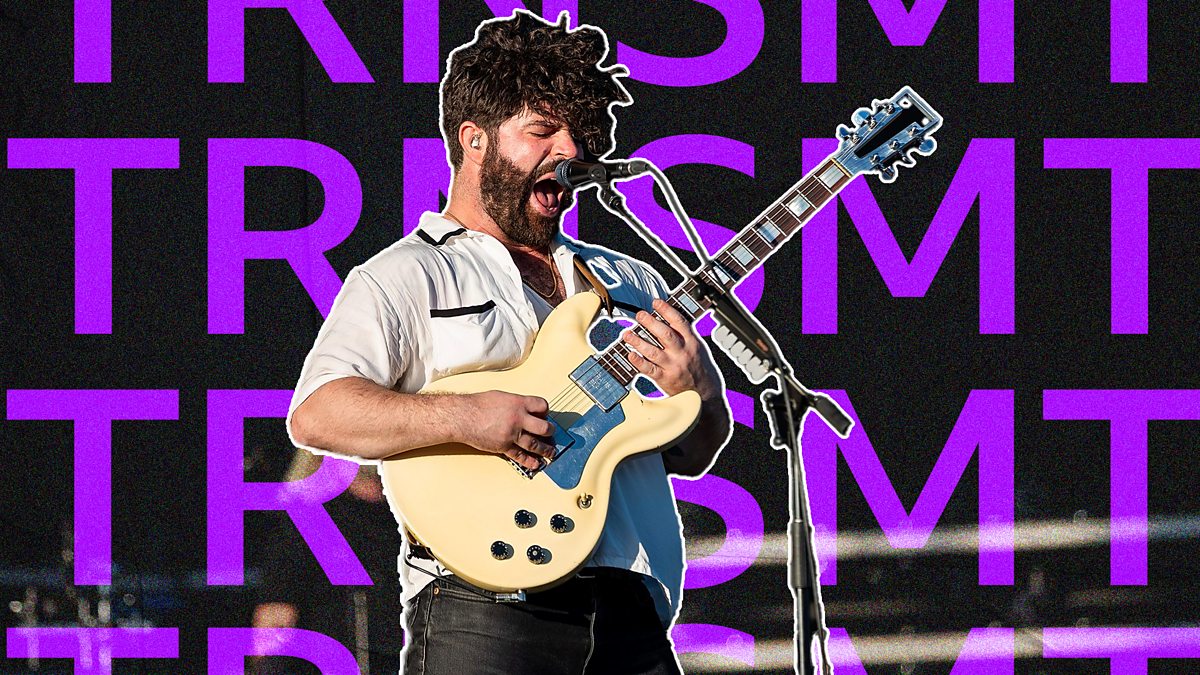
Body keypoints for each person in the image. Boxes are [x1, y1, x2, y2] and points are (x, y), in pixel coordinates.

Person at [287, 10, 731, 674]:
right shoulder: (406, 273)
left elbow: (692, 453)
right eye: (542, 131)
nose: (570, 151)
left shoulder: (629, 278)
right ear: (474, 139)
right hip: (484, 608)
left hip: (629, 608)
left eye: (579, 135)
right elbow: (318, 413)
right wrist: (465, 417)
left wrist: (700, 391)